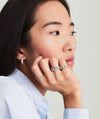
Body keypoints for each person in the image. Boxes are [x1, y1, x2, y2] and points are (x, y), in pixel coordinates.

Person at [0, 0, 89, 119]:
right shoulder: (7, 91)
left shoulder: (39, 109)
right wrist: (72, 97)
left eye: (72, 32)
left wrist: (72, 95)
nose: (70, 46)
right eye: (55, 32)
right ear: (19, 48)